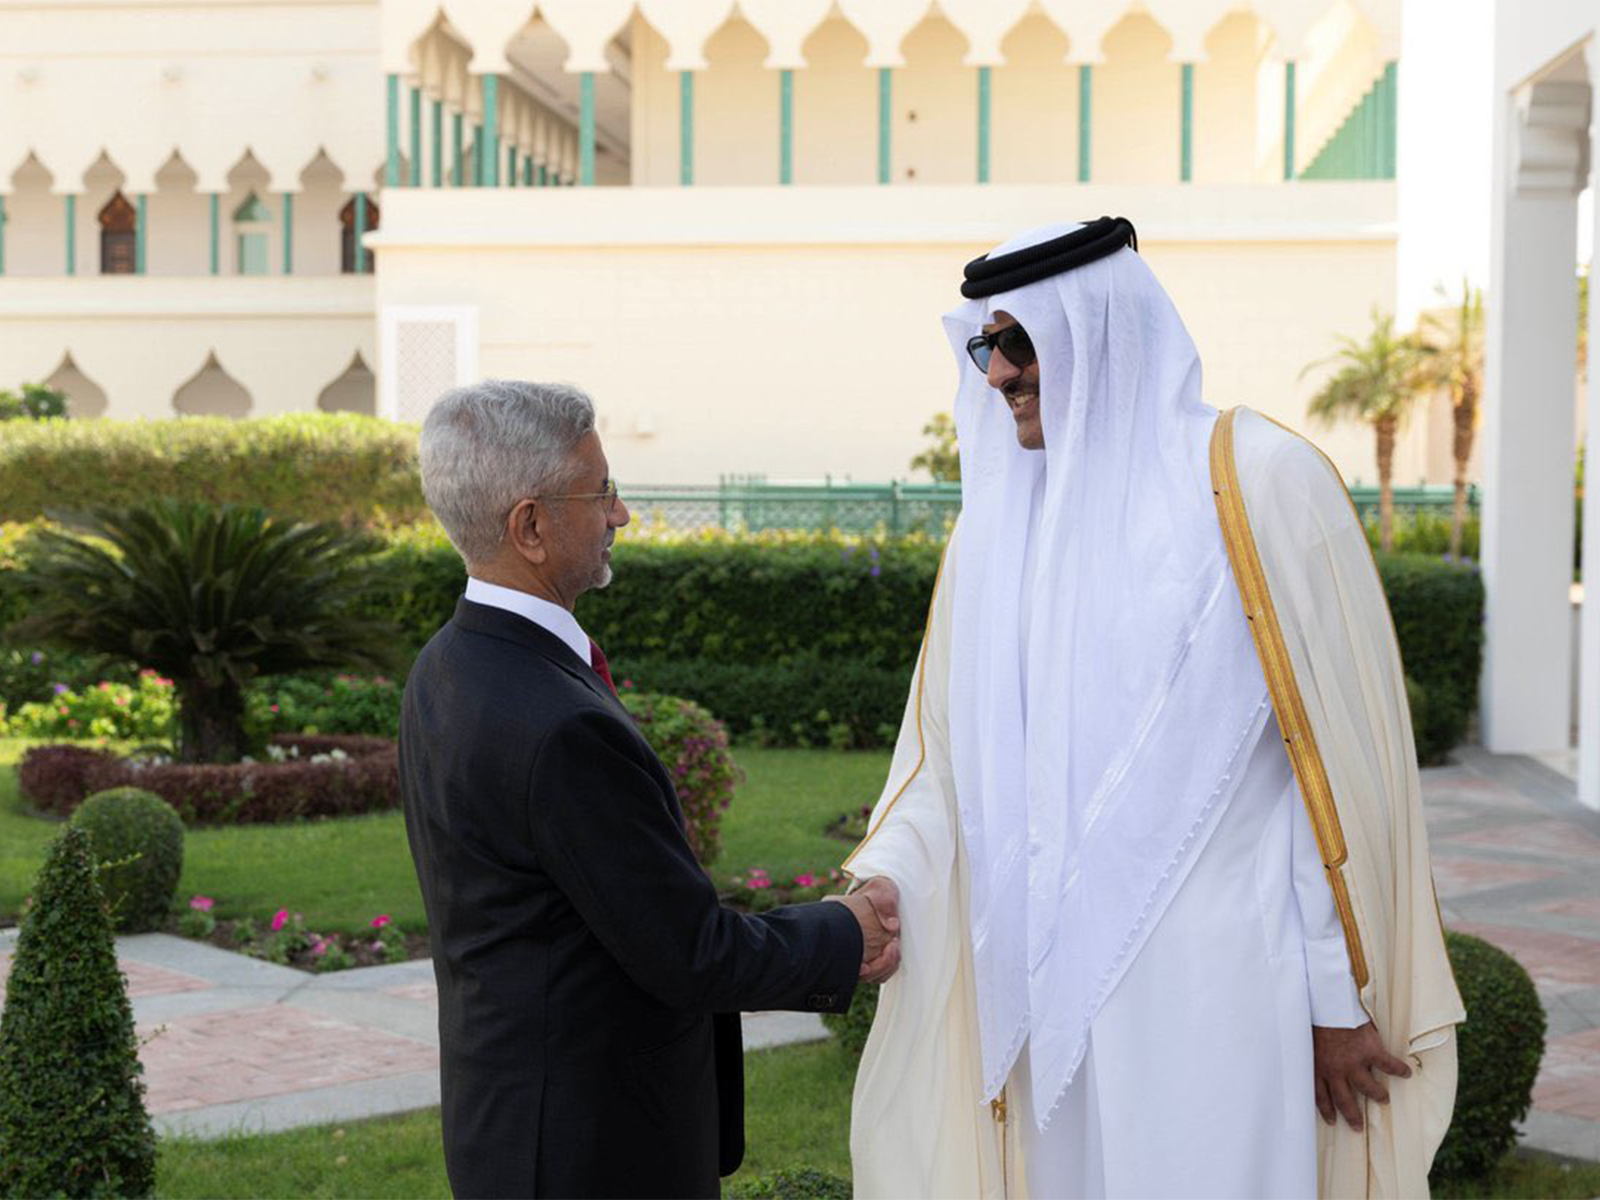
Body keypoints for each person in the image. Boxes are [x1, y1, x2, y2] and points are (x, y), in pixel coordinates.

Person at [844, 219, 1464, 1199]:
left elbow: (1329, 776)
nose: (999, 374)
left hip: (1220, 992)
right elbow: (946, 761)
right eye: (986, 347)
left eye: (1022, 344)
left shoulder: (1254, 481)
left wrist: (1336, 1000)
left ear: (1104, 333)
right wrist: (878, 882)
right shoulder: (996, 528)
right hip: (1044, 994)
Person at [400, 379, 901, 1200]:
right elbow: (688, 953)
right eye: (600, 491)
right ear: (529, 525)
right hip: (590, 1151)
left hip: (511, 1126)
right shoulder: (559, 724)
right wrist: (845, 933)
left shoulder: (448, 664)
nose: (620, 513)